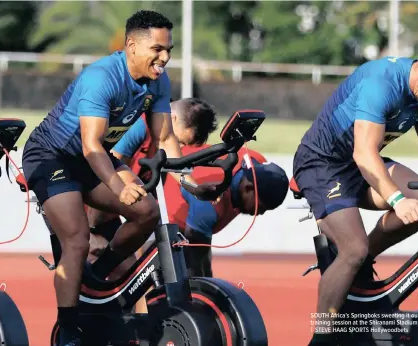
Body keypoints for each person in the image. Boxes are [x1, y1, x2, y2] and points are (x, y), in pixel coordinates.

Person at [21, 10, 217, 346]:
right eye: (157, 49)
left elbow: (164, 138)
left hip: (92, 160)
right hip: (52, 156)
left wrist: (189, 182)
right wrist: (117, 186)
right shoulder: (102, 78)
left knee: (147, 213)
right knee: (77, 239)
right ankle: (68, 329)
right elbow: (90, 144)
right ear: (132, 46)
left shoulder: (159, 80)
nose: (165, 57)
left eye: (169, 49)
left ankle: (98, 274)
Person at [292, 45, 418, 346]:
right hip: (322, 165)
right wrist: (397, 201)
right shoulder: (381, 83)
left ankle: (361, 266)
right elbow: (363, 154)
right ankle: (321, 338)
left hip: (360, 164)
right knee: (352, 250)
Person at [89, 98, 290, 279]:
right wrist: (92, 232)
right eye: (179, 142)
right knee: (96, 265)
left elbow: (181, 172)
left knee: (130, 276)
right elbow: (105, 176)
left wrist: (196, 189)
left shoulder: (166, 133)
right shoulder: (139, 127)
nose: (180, 148)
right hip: (87, 206)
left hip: (118, 213)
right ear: (172, 119)